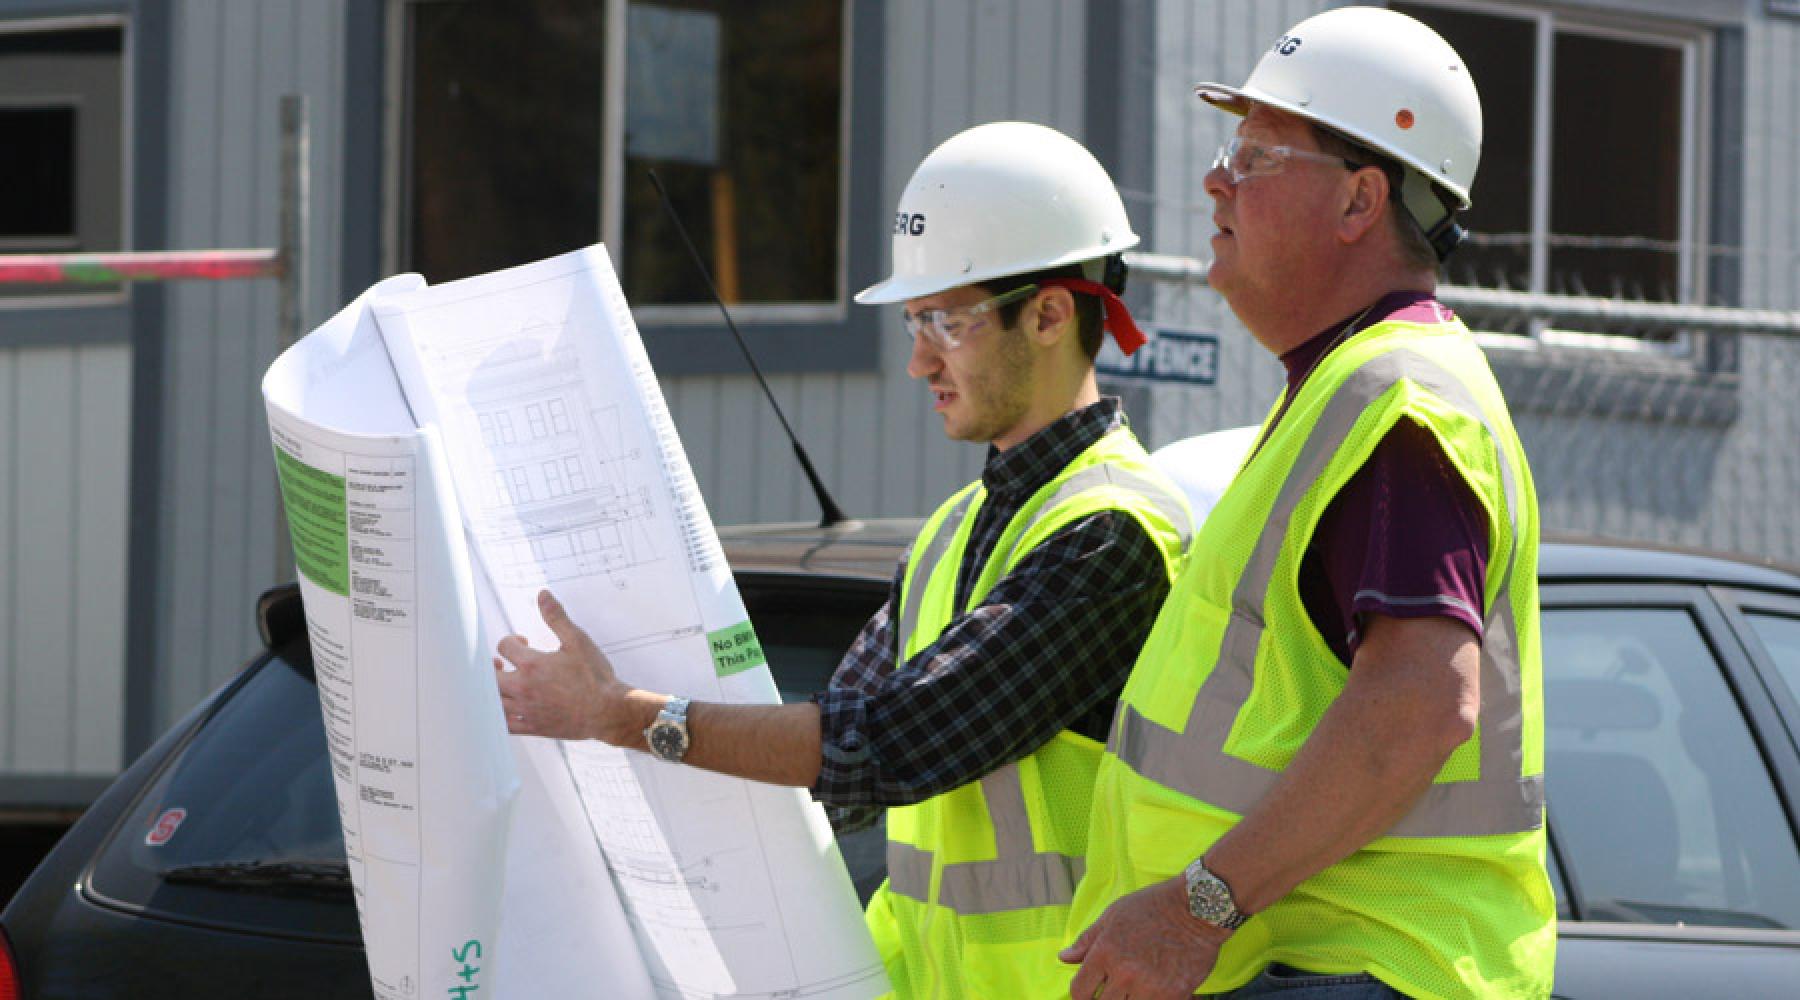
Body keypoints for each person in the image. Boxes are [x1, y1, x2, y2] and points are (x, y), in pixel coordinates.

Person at [495, 121, 1193, 999]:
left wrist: (628, 715)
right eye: (914, 322)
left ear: (1051, 313)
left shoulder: (1113, 533)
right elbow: (833, 770)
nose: (918, 361)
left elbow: (887, 743)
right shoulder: (954, 530)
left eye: (946, 320)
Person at [1061, 8, 1554, 999]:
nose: (1216, 179)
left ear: (1359, 200)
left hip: (1359, 965)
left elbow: (1418, 704)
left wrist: (1195, 907)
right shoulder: (1351, 391)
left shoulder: (1397, 399)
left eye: (1254, 152)